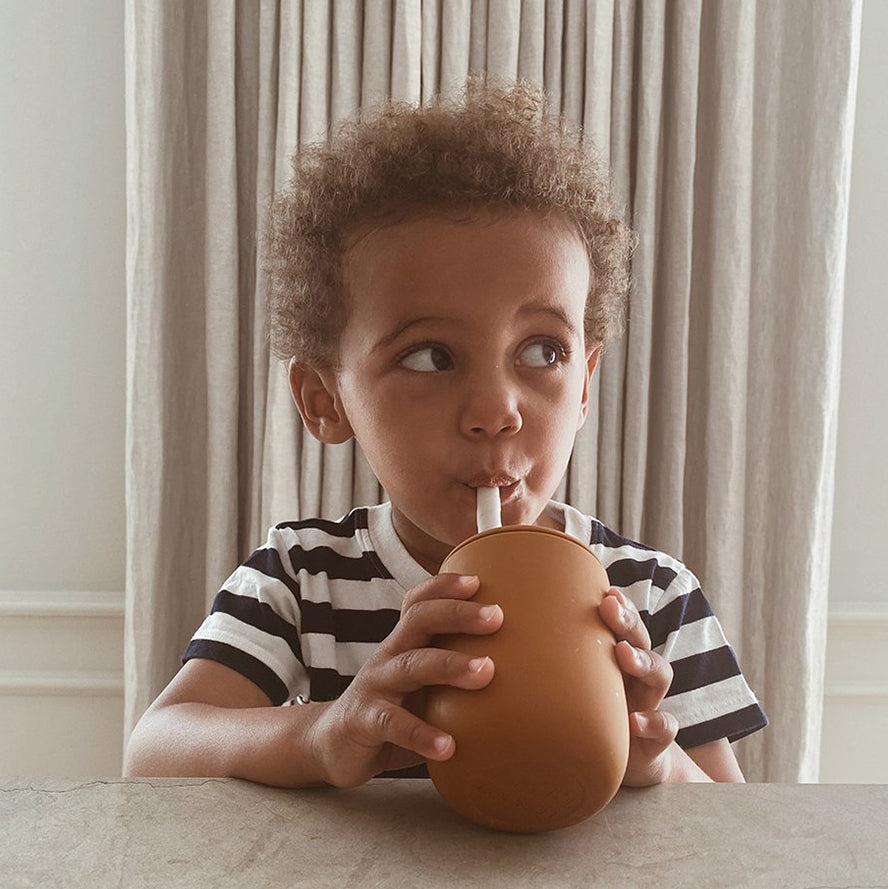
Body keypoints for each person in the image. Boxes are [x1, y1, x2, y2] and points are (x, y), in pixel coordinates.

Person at [124, 79, 767, 790]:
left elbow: (728, 826)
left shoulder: (650, 596)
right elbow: (154, 751)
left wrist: (655, 763)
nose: (496, 409)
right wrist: (324, 732)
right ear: (325, 399)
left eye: (542, 351)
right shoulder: (301, 579)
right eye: (431, 356)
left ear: (583, 382)